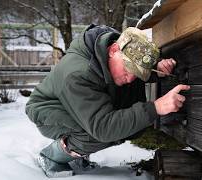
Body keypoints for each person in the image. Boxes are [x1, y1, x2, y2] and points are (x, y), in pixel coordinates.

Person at [25, 24, 190, 177]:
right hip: (49, 111)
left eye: (137, 72)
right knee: (99, 134)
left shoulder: (120, 48)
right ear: (113, 49)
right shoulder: (78, 74)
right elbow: (103, 127)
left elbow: (135, 68)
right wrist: (156, 108)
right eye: (127, 68)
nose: (131, 78)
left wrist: (156, 71)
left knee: (127, 126)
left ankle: (76, 153)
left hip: (78, 104)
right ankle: (51, 157)